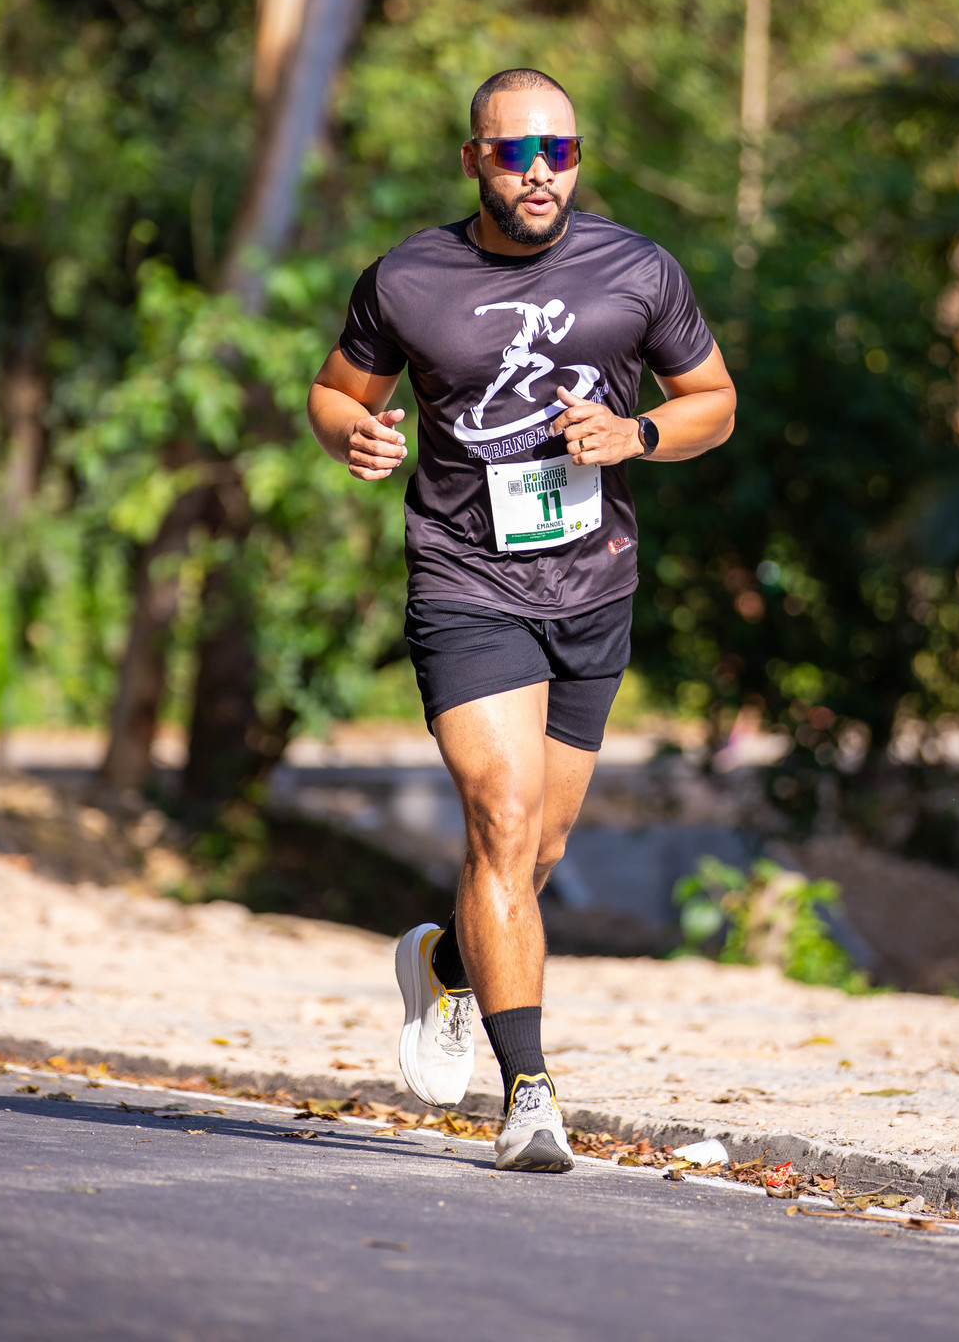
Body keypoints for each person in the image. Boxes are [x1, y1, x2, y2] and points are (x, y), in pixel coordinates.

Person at [307, 67, 735, 1172]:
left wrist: (637, 436)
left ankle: (446, 967)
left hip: (593, 584)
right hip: (466, 579)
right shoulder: (408, 279)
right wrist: (353, 435)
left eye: (561, 151)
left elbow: (715, 402)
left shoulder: (638, 270)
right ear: (473, 161)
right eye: (514, 152)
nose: (541, 172)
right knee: (500, 819)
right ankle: (530, 1096)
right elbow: (336, 390)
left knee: (537, 851)